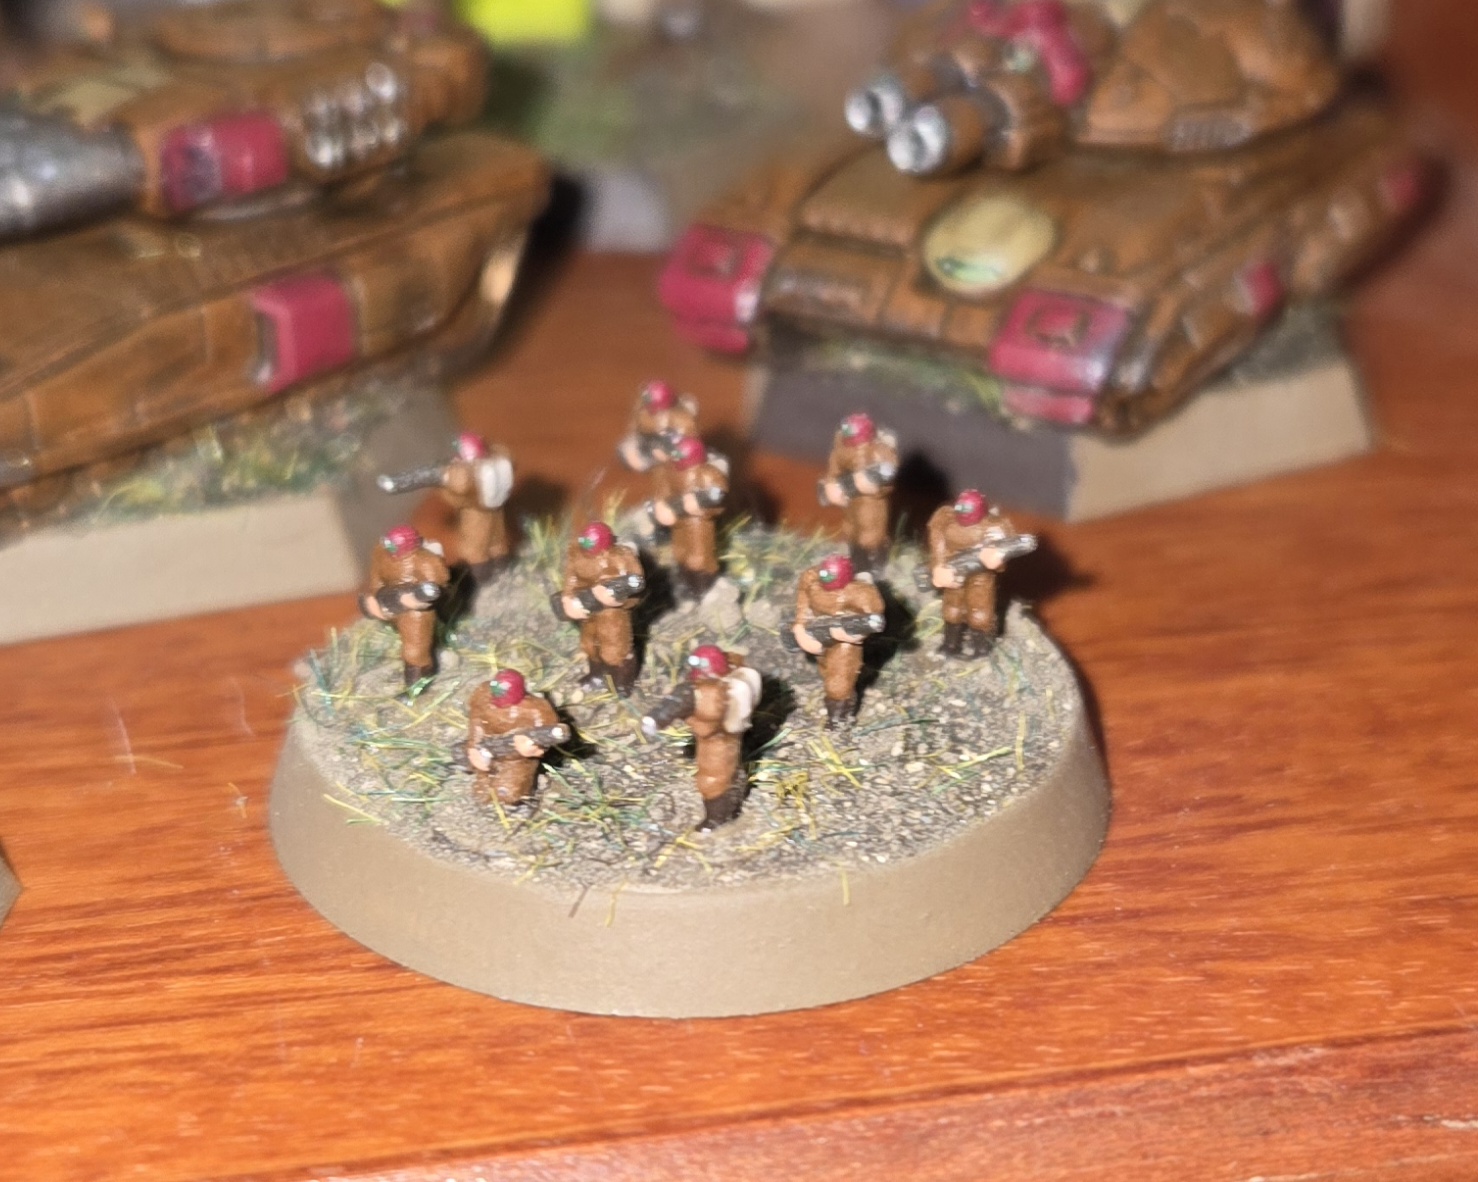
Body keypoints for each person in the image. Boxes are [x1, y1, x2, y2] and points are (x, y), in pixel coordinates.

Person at [640, 645, 762, 829]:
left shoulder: (710, 693)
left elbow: (675, 704)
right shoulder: (724, 688)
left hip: (718, 743)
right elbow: (674, 704)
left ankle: (717, 818)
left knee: (712, 779)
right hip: (724, 738)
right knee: (724, 772)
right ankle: (729, 805)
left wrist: (657, 719)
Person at [791, 554, 885, 727]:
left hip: (844, 642)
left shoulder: (859, 592)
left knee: (839, 683)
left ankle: (838, 720)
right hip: (817, 632)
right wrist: (800, 629)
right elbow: (803, 604)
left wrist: (848, 633)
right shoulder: (811, 579)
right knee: (825, 670)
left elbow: (872, 618)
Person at [557, 521, 645, 695]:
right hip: (587, 609)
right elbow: (571, 578)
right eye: (584, 542)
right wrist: (568, 598)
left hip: (612, 615)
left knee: (615, 650)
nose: (586, 547)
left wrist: (618, 599)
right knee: (590, 645)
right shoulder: (578, 555)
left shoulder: (622, 558)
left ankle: (622, 683)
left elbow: (637, 586)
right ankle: (596, 676)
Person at [359, 524, 450, 688]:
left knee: (415, 651)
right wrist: (377, 600)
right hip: (389, 600)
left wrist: (416, 598)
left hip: (415, 610)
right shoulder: (381, 553)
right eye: (389, 544)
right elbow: (376, 579)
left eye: (394, 545)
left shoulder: (426, 561)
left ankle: (417, 685)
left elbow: (436, 588)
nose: (390, 549)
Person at [464, 669, 564, 807]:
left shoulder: (535, 710)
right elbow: (476, 721)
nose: (499, 697)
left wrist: (533, 747)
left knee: (508, 793)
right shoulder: (483, 696)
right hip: (487, 748)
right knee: (481, 791)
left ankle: (520, 800)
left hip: (517, 759)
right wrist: (474, 747)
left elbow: (549, 735)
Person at [818, 412, 898, 575]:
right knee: (851, 530)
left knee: (871, 534)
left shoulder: (879, 451)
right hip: (851, 500)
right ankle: (858, 561)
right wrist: (831, 485)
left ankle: (876, 562)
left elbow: (888, 473)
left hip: (871, 502)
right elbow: (835, 468)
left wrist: (875, 484)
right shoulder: (842, 447)